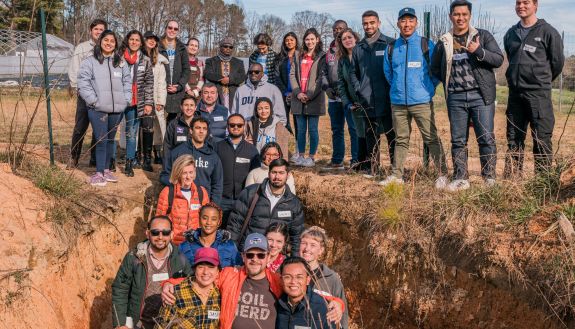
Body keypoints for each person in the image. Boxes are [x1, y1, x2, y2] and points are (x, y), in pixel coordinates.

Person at [161, 233, 345, 329]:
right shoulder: (230, 275)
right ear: (243, 256)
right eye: (250, 254)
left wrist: (336, 302)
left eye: (260, 254)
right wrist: (169, 283)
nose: (255, 259)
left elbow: (302, 289)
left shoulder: (278, 281)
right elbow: (202, 277)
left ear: (267, 257)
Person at [431, 0, 503, 191]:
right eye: (456, 14)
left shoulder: (483, 36)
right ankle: (461, 178)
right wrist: (452, 84)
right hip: (455, 98)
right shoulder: (444, 41)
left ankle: (489, 178)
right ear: (450, 16)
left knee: (486, 138)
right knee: (458, 140)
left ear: (470, 16)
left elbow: (498, 59)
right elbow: (435, 68)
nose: (460, 18)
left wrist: (478, 51)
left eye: (464, 14)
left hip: (481, 96)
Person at [380, 8, 448, 188]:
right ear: (398, 24)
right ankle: (397, 175)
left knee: (431, 137)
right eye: (403, 21)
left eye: (410, 20)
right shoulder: (392, 47)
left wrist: (428, 88)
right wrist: (396, 88)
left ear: (416, 23)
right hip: (398, 102)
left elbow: (436, 70)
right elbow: (388, 72)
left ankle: (443, 174)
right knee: (401, 139)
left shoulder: (427, 44)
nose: (407, 24)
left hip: (421, 101)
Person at [503, 0, 565, 176]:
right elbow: (511, 57)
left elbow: (557, 64)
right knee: (514, 139)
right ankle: (512, 181)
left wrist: (539, 80)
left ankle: (542, 183)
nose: (521, 6)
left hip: (538, 95)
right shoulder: (510, 34)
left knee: (541, 138)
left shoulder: (548, 32)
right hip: (515, 95)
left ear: (535, 5)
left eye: (526, 2)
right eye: (518, 3)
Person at [112, 215, 191, 329]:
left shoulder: (180, 260)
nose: (160, 237)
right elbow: (120, 289)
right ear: (147, 233)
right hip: (138, 324)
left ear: (172, 235)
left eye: (165, 232)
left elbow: (191, 286)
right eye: (155, 232)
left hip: (168, 324)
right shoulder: (134, 258)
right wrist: (120, 324)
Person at [77, 30, 131, 187]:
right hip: (98, 108)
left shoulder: (120, 62)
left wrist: (125, 100)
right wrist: (93, 101)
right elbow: (83, 82)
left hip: (116, 109)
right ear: (100, 41)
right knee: (100, 139)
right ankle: (99, 172)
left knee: (110, 140)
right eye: (106, 40)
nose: (109, 43)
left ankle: (107, 170)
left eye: (112, 41)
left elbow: (127, 82)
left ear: (116, 44)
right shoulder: (90, 61)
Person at [350, 10, 396, 175]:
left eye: (372, 23)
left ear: (378, 23)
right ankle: (374, 169)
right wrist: (358, 88)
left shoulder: (390, 43)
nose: (368, 26)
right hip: (367, 99)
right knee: (371, 136)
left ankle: (395, 170)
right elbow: (353, 73)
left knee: (392, 135)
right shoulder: (358, 48)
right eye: (365, 23)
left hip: (388, 98)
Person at [227, 159, 304, 254]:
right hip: (250, 254)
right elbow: (235, 225)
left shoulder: (294, 203)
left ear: (287, 175)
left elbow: (296, 237)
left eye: (281, 173)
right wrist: (231, 253)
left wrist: (294, 260)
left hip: (276, 257)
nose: (277, 177)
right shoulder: (251, 193)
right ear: (268, 173)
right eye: (274, 172)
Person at [67, 18, 107, 169]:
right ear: (91, 31)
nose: (98, 32)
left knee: (99, 128)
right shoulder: (82, 48)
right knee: (80, 127)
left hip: (101, 96)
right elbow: (74, 69)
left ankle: (94, 158)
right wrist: (78, 88)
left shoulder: (107, 48)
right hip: (84, 95)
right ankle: (74, 157)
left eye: (101, 29)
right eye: (96, 29)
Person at [160, 117, 224, 204]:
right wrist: (177, 184)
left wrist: (213, 206)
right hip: (180, 202)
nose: (201, 131)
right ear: (191, 130)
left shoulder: (213, 156)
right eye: (198, 128)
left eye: (204, 128)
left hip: (203, 204)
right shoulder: (177, 152)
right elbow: (164, 176)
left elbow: (217, 185)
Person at [154, 247, 221, 329]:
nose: (205, 272)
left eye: (211, 267)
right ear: (194, 269)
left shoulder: (220, 295)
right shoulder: (175, 293)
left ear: (217, 271)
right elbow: (160, 325)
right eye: (201, 267)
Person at [322, 20, 358, 170]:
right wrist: (326, 88)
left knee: (354, 129)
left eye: (340, 29)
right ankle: (337, 160)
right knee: (336, 129)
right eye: (335, 29)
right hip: (333, 98)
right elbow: (323, 72)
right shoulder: (328, 52)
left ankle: (356, 159)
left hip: (348, 98)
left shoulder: (351, 50)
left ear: (346, 30)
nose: (337, 31)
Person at [289, 28, 327, 168]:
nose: (309, 42)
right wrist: (298, 92)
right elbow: (292, 75)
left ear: (317, 39)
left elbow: (321, 78)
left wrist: (309, 95)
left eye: (312, 39)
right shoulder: (298, 55)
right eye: (307, 39)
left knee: (312, 129)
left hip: (314, 99)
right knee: (300, 129)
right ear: (304, 41)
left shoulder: (322, 56)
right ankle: (300, 155)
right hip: (298, 98)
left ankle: (311, 157)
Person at [120, 30, 155, 176]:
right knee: (111, 129)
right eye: (132, 39)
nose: (134, 42)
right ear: (127, 41)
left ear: (141, 43)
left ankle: (129, 162)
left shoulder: (145, 60)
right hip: (119, 99)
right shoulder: (119, 58)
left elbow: (149, 83)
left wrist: (148, 103)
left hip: (136, 101)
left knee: (131, 132)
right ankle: (109, 160)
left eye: (137, 40)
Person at [300, 226, 349, 329]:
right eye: (304, 243)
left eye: (313, 245)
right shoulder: (290, 273)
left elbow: (342, 315)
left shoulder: (332, 278)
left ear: (321, 250)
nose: (307, 249)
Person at [216, 114, 260, 227]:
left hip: (243, 200)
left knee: (238, 230)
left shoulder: (252, 150)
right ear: (227, 126)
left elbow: (256, 175)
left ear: (244, 126)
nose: (236, 127)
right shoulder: (217, 147)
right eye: (232, 125)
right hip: (222, 199)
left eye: (239, 125)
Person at [156, 154, 209, 245]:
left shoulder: (202, 193)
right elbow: (158, 223)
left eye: (191, 172)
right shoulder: (168, 193)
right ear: (178, 173)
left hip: (195, 245)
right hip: (174, 246)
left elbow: (206, 221)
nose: (188, 177)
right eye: (184, 173)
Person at [337, 28, 368, 172]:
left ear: (355, 38)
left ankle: (369, 163)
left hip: (367, 101)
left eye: (350, 37)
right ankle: (357, 162)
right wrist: (347, 103)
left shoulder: (364, 55)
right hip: (353, 104)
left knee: (369, 132)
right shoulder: (342, 61)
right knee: (356, 132)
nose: (347, 40)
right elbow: (341, 84)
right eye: (344, 39)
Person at [276, 256, 332, 329]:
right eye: (287, 277)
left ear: (308, 280)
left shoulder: (322, 307)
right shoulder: (276, 304)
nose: (293, 282)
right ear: (281, 280)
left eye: (299, 277)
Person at [179, 202, 242, 267]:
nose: (208, 222)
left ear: (219, 222)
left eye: (213, 219)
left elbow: (238, 269)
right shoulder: (185, 246)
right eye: (205, 218)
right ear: (199, 219)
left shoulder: (229, 246)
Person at [143, 31, 169, 166]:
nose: (152, 41)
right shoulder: (138, 56)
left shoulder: (158, 60)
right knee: (140, 127)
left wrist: (160, 101)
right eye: (149, 39)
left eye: (154, 39)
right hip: (140, 97)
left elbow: (161, 83)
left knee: (157, 126)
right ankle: (138, 153)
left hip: (154, 97)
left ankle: (157, 151)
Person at [159, 20, 191, 124]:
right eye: (170, 27)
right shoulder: (158, 46)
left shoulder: (182, 48)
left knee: (173, 124)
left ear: (178, 31)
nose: (172, 30)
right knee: (158, 124)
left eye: (175, 29)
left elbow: (186, 70)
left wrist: (179, 86)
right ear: (165, 29)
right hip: (161, 90)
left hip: (177, 93)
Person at [204, 37, 246, 110]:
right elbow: (207, 74)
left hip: (233, 93)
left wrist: (230, 80)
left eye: (231, 47)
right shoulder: (211, 61)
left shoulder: (239, 62)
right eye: (225, 46)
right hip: (217, 93)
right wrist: (222, 79)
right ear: (220, 47)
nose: (228, 48)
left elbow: (242, 77)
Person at [275, 32, 299, 134]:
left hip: (298, 93)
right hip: (283, 94)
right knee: (283, 121)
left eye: (291, 40)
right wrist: (286, 92)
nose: (289, 42)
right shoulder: (279, 57)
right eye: (287, 40)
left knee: (298, 122)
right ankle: (283, 145)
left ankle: (299, 147)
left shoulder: (301, 56)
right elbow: (277, 76)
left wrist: (295, 92)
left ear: (296, 41)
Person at [163, 95, 196, 161]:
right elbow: (167, 146)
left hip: (196, 161)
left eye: (191, 105)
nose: (189, 108)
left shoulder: (201, 124)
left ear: (195, 107)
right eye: (186, 105)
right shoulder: (174, 124)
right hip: (178, 162)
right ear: (181, 107)